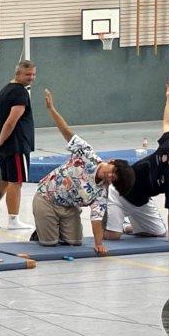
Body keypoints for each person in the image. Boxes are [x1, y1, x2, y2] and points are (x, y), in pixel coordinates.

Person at [33, 90, 135, 254]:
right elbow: (66, 131)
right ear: (111, 161)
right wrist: (51, 109)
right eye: (112, 171)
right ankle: (41, 230)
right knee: (49, 243)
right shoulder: (87, 154)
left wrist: (98, 244)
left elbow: (96, 219)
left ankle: (56, 226)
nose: (109, 176)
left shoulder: (101, 193)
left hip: (69, 207)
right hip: (46, 198)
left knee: (75, 242)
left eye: (113, 179)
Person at [103, 78, 169, 243]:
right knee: (114, 236)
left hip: (140, 203)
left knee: (159, 232)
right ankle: (107, 220)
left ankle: (127, 226)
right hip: (119, 193)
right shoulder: (167, 147)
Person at [0, 60, 36, 230]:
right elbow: (11, 121)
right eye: (28, 74)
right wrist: (0, 139)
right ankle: (13, 220)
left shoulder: (5, 90)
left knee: (4, 181)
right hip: (16, 145)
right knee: (16, 182)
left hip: (4, 145)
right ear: (18, 74)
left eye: (33, 74)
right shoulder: (20, 93)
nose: (32, 78)